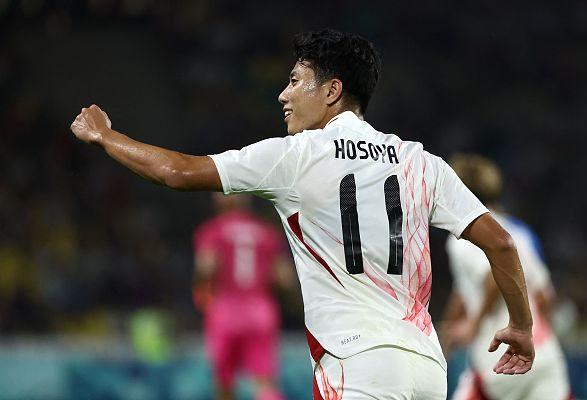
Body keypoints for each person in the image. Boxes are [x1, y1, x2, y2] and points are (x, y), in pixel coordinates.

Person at [70, 29, 535, 399]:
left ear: (332, 91)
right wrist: (521, 326)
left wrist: (106, 137)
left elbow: (177, 171)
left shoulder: (297, 156)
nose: (282, 95)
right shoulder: (420, 161)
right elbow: (501, 242)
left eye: (294, 81)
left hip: (357, 365)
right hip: (427, 370)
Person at [440, 154, 571, 400]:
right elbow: (544, 297)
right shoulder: (520, 233)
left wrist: (472, 325)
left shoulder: (465, 236)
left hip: (501, 358)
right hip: (544, 355)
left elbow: (492, 278)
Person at [192, 194, 292, 400]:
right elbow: (285, 278)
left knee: (224, 383)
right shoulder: (267, 232)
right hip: (260, 311)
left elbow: (206, 268)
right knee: (264, 382)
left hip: (225, 311)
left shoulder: (213, 230)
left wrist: (200, 293)